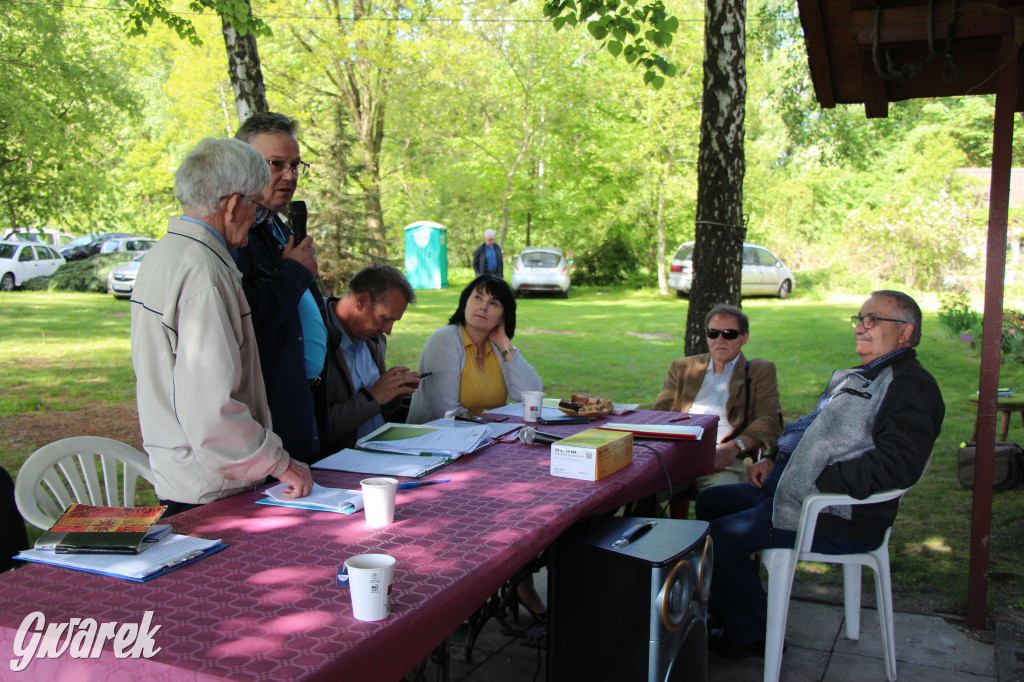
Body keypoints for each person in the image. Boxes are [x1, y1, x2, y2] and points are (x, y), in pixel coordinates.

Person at [694, 290, 944, 658]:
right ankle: (734, 604)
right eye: (860, 318)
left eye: (873, 320)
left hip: (833, 514)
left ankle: (748, 636)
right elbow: (810, 430)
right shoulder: (865, 374)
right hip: (793, 490)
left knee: (721, 537)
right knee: (711, 501)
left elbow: (896, 465)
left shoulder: (910, 386)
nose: (861, 326)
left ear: (905, 332)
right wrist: (776, 459)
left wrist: (815, 480)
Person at [131, 137, 313, 515]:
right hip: (211, 483)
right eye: (256, 208)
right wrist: (279, 464)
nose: (257, 219)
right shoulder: (202, 271)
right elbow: (210, 404)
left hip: (187, 471)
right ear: (233, 204)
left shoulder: (166, 253)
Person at [231, 112, 328, 465]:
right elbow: (245, 320)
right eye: (276, 164)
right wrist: (293, 272)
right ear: (243, 165)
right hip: (266, 414)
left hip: (304, 400)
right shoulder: (235, 236)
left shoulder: (276, 226)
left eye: (295, 165)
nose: (289, 176)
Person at [653, 304, 783, 490]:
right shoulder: (682, 368)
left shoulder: (759, 371)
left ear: (744, 338)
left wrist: (733, 447)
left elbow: (769, 420)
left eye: (729, 334)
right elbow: (658, 413)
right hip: (677, 454)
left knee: (720, 496)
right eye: (713, 333)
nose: (720, 339)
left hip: (724, 458)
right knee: (635, 490)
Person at [408, 274, 542, 423]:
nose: (483, 307)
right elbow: (446, 412)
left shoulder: (497, 348)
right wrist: (492, 427)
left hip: (486, 437)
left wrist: (505, 343)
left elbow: (532, 395)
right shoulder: (444, 339)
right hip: (434, 439)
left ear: (502, 317)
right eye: (478, 298)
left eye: (494, 303)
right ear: (465, 302)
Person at [325, 265, 421, 452]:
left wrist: (393, 394)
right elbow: (316, 427)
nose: (388, 330)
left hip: (383, 448)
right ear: (362, 300)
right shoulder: (317, 339)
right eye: (385, 318)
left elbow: (375, 413)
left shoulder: (372, 339)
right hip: (344, 462)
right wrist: (374, 397)